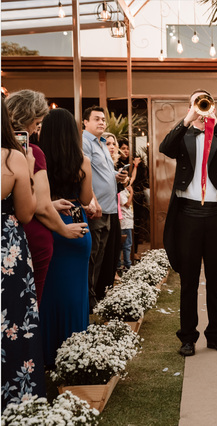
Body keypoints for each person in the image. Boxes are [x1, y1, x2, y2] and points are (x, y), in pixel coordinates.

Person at [159, 89, 217, 356]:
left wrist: (216, 124)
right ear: (191, 106)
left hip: (216, 213)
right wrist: (187, 119)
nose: (201, 106)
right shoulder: (183, 134)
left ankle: (216, 336)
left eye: (205, 102)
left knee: (215, 279)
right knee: (189, 280)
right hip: (188, 214)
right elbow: (165, 148)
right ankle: (187, 337)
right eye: (197, 102)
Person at [5, 90, 88, 302]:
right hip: (28, 236)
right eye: (37, 122)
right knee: (29, 304)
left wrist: (50, 203)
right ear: (28, 119)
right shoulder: (31, 153)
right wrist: (64, 229)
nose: (36, 129)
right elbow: (39, 207)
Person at [38, 108, 94, 369]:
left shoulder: (36, 159)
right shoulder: (81, 160)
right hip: (75, 222)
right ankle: (74, 355)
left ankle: (46, 355)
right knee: (76, 295)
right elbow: (85, 199)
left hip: (47, 225)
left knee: (47, 294)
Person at [2, 106, 45, 408]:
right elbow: (27, 213)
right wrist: (28, 169)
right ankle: (18, 399)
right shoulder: (13, 157)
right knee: (13, 323)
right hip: (8, 251)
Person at [81, 106, 127, 307]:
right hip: (96, 208)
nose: (101, 122)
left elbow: (102, 173)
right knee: (92, 256)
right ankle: (88, 299)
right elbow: (83, 172)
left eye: (103, 119)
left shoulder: (101, 143)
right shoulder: (84, 142)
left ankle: (95, 296)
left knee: (100, 256)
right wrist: (92, 200)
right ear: (85, 122)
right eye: (96, 119)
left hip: (109, 208)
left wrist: (117, 176)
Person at [118, 185, 133, 272]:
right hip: (124, 223)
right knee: (126, 245)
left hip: (127, 222)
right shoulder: (121, 193)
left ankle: (122, 264)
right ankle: (127, 265)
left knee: (125, 244)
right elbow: (127, 204)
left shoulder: (125, 192)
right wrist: (132, 193)